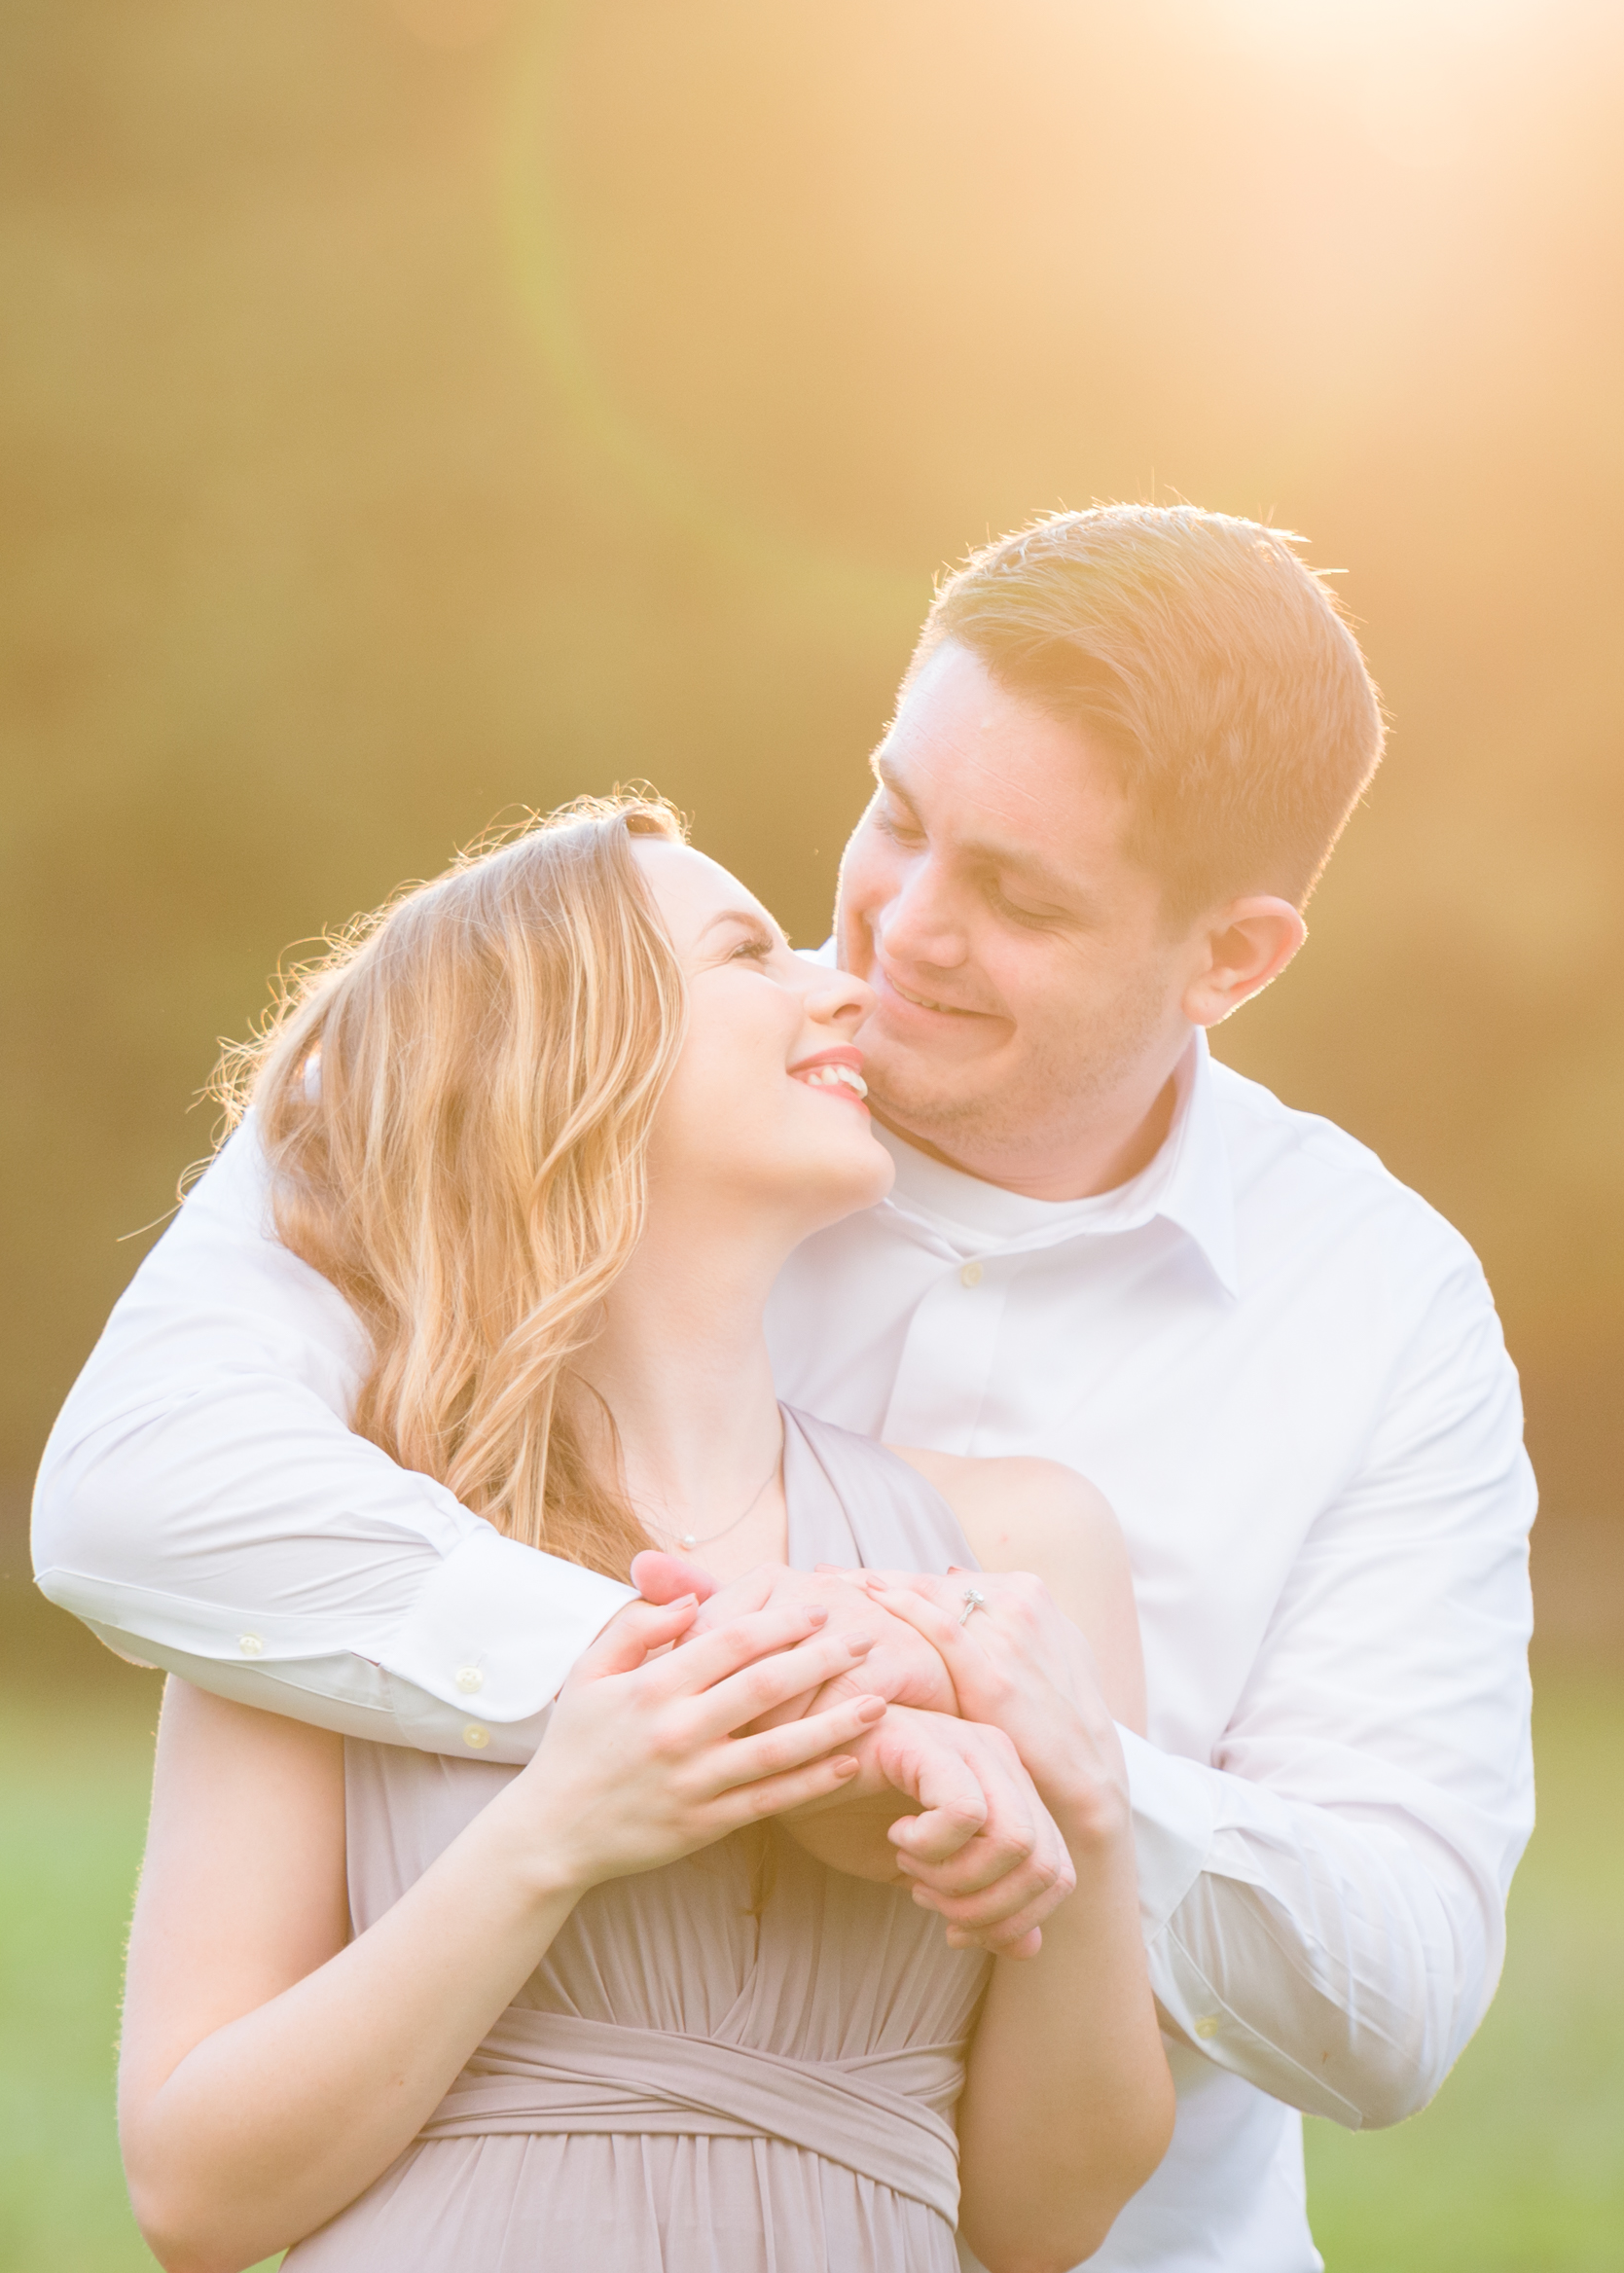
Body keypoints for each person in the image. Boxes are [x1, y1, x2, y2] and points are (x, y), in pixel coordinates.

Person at [40, 504, 1539, 2271]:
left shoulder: (1372, 1312)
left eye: (1020, 898)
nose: (896, 937)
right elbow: (132, 1492)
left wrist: (1064, 1787)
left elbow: (1392, 1994)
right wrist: (772, 1708)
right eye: (896, 816)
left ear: (1232, 959)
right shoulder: (552, 1053)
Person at [115, 801, 1174, 2273]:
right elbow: (194, 2194)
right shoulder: (341, 1553)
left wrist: (1096, 1831)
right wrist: (551, 1836)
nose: (842, 986)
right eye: (748, 952)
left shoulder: (1015, 1548)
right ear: (572, 1059)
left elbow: (1044, 2221)